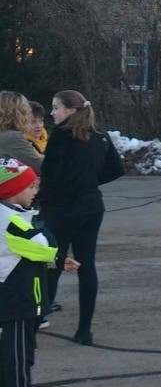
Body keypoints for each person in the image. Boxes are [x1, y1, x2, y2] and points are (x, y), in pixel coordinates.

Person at [0, 159, 78, 387]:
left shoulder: (13, 215)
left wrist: (56, 260)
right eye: (31, 185)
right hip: (17, 301)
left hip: (18, 298)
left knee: (12, 358)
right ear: (11, 191)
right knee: (19, 361)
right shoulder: (10, 221)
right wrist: (55, 254)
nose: (36, 190)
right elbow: (41, 243)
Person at [39, 90, 124, 345]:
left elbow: (51, 175)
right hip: (91, 206)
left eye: (56, 108)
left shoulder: (61, 137)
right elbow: (115, 169)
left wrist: (41, 201)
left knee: (53, 265)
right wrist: (88, 181)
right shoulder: (100, 137)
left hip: (62, 208)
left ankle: (36, 321)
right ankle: (84, 330)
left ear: (71, 110)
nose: (52, 113)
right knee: (87, 266)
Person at [0, 91, 43, 172]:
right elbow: (39, 166)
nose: (28, 113)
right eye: (26, 109)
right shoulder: (12, 137)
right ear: (17, 113)